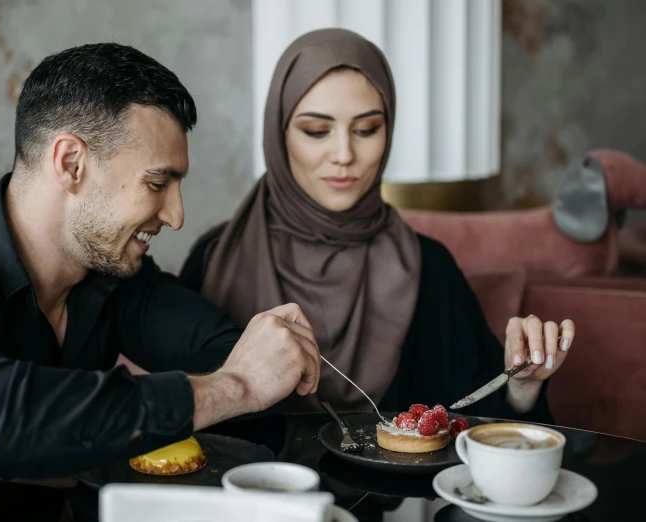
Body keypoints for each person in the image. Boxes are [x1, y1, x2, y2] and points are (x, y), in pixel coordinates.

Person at [0, 43, 321, 521]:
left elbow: (256, 374)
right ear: (70, 164)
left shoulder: (115, 273)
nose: (177, 216)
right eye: (157, 183)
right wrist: (231, 387)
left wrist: (43, 450)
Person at [180, 29, 574, 419]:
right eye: (316, 131)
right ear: (278, 134)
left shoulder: (429, 268)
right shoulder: (215, 260)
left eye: (366, 129)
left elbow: (479, 427)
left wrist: (522, 387)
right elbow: (176, 416)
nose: (344, 154)